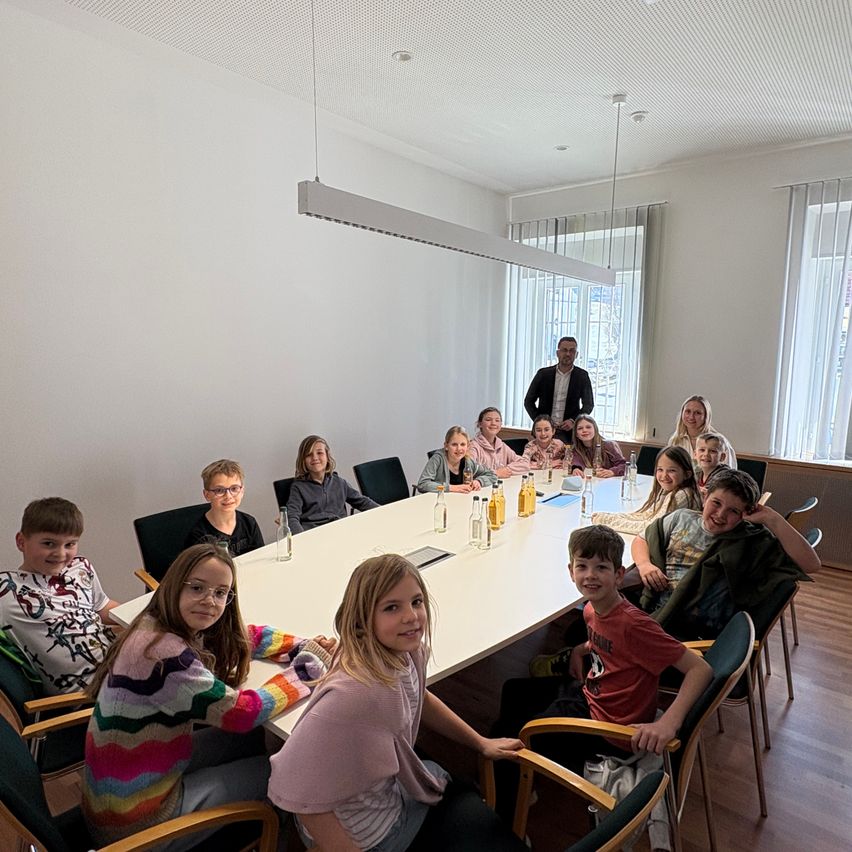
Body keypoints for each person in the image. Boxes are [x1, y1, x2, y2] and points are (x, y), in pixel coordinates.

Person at [82, 543, 333, 849]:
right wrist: (305, 671)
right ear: (175, 585)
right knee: (283, 772)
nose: (209, 601)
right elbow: (241, 712)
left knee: (258, 741)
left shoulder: (158, 624)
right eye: (197, 588)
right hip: (138, 827)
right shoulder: (165, 655)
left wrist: (301, 644)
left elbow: (245, 635)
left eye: (220, 593)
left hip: (126, 792)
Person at [267, 554, 524, 852]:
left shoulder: (406, 653)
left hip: (386, 795)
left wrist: (480, 742)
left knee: (464, 792)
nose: (411, 616)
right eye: (392, 607)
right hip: (371, 834)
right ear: (363, 619)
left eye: (416, 602)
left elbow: (420, 696)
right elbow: (296, 787)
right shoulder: (357, 694)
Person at [492, 526, 712, 819]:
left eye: (601, 568)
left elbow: (700, 668)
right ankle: (521, 782)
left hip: (611, 729)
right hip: (593, 695)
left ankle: (505, 815)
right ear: (571, 571)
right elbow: (609, 642)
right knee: (513, 690)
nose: (590, 575)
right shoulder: (591, 610)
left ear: (619, 575)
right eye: (582, 566)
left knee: (509, 737)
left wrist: (668, 723)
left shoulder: (635, 626)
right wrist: (581, 650)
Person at [632, 469, 820, 638]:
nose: (721, 514)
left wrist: (772, 518)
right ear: (704, 496)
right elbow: (642, 539)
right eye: (716, 503)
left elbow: (811, 564)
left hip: (690, 630)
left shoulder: (751, 542)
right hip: (656, 609)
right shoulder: (680, 518)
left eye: (733, 511)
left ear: (747, 513)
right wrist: (644, 564)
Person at [0, 497, 120, 695]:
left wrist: (143, 615)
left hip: (119, 662)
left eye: (70, 544)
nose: (61, 554)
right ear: (21, 542)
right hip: (93, 694)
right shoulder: (6, 590)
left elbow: (102, 607)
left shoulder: (80, 568)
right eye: (49, 543)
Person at [592, 446, 701, 536]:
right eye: (660, 469)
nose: (664, 476)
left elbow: (650, 528)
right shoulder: (668, 490)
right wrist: (608, 516)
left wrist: (605, 521)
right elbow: (647, 515)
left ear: (687, 474)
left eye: (672, 471)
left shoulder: (681, 495)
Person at [287, 435, 379, 534]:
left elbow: (362, 502)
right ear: (303, 460)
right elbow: (292, 518)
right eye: (309, 455)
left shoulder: (339, 482)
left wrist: (384, 511)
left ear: (327, 456)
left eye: (320, 453)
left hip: (341, 531)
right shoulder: (298, 487)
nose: (315, 458)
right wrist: (302, 539)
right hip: (314, 535)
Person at [185, 459, 264, 556]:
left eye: (234, 488)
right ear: (207, 495)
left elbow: (260, 557)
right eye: (219, 490)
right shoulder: (199, 536)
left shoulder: (249, 523)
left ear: (242, 491)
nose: (228, 496)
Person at [523, 336, 594, 442]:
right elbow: (528, 401)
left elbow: (588, 405)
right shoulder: (543, 374)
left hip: (569, 434)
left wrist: (574, 421)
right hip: (544, 432)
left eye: (572, 351)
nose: (568, 354)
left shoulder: (582, 376)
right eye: (564, 350)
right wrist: (540, 421)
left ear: (576, 354)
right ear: (557, 353)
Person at [417, 426, 498, 493]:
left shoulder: (467, 461)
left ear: (468, 446)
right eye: (454, 444)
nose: (459, 449)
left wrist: (479, 481)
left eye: (463, 444)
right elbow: (422, 484)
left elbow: (492, 475)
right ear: (446, 446)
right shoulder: (438, 459)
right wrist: (451, 488)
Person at [669, 395, 737, 469]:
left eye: (697, 413)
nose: (691, 417)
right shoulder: (675, 440)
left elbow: (729, 475)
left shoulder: (720, 442)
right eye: (688, 411)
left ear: (706, 416)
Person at [468, 407, 530, 478]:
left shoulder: (502, 446)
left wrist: (505, 470)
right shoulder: (473, 446)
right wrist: (496, 473)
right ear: (480, 424)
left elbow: (525, 464)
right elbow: (469, 470)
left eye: (497, 420)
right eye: (488, 420)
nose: (493, 423)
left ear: (500, 425)